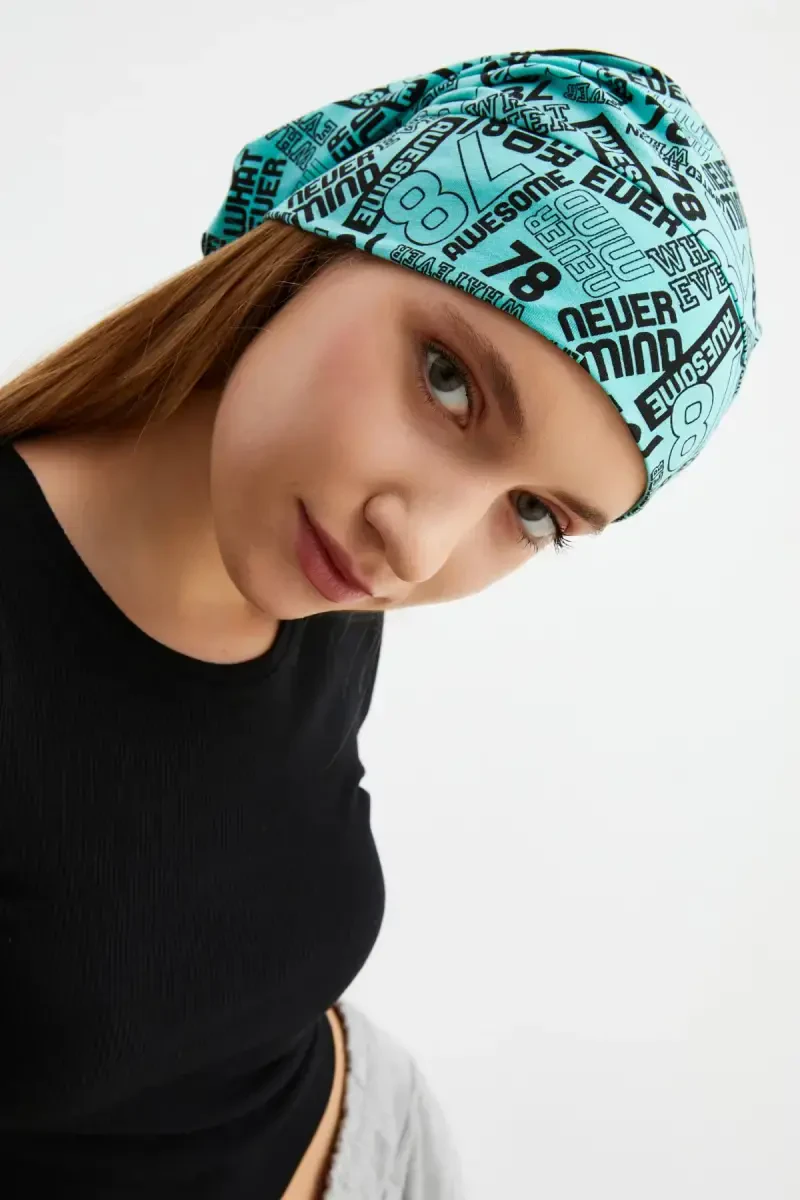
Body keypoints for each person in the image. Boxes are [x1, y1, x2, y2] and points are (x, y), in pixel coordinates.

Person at [0, 48, 760, 1200]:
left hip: (378, 1139)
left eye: (533, 515)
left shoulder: (311, 553)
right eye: (448, 380)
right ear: (326, 235)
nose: (417, 549)